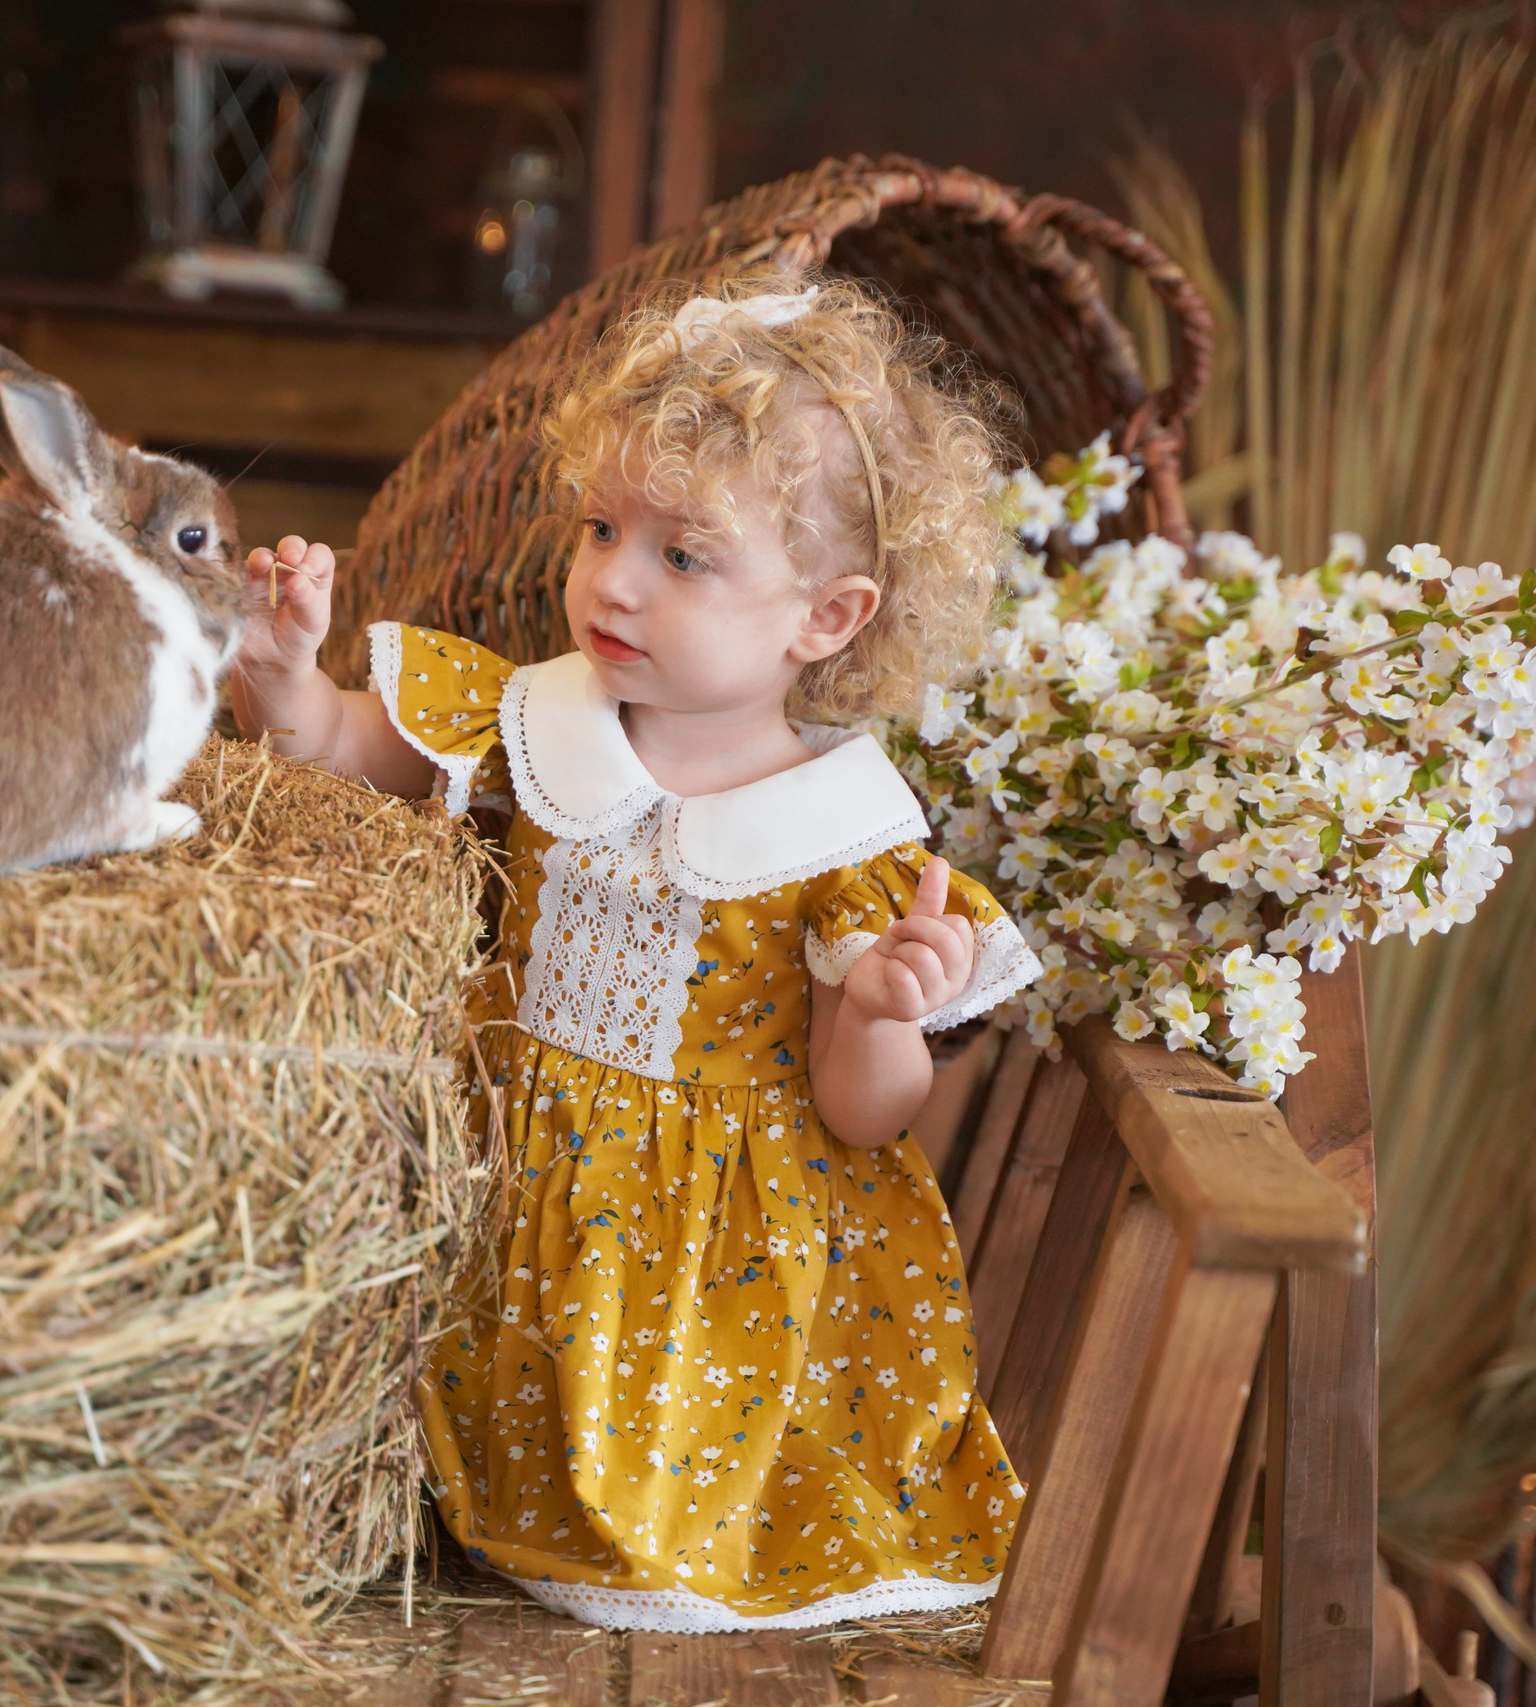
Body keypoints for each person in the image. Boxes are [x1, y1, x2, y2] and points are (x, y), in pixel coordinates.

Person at [228, 276, 1040, 1632]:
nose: (611, 578)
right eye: (602, 527)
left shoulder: (842, 837)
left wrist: (883, 1014)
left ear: (826, 618)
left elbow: (862, 1117)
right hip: (500, 1175)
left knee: (661, 1462)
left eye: (685, 557)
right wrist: (284, 679)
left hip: (701, 1259)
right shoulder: (544, 718)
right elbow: (346, 751)